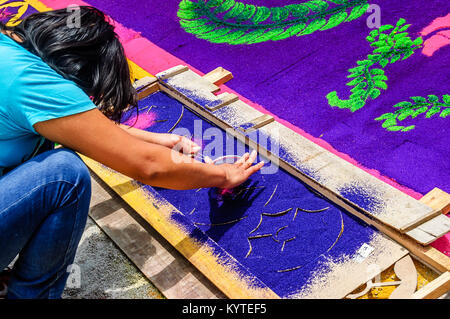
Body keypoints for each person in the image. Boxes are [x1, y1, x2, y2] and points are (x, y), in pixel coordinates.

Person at [0, 6, 264, 299]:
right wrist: (224, 175)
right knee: (65, 174)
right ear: (72, 67)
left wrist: (156, 140)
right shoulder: (35, 83)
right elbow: (148, 166)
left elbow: (74, 127)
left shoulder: (9, 50)